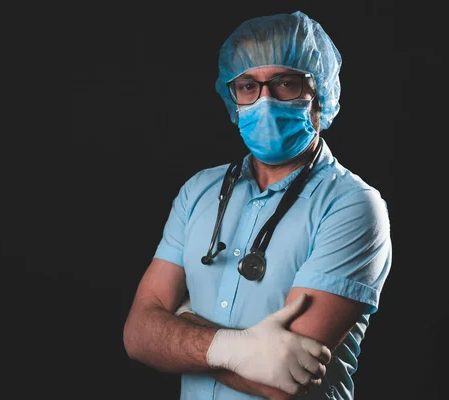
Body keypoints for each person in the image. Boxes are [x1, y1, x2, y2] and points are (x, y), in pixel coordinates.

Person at [123, 10, 392, 400]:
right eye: (248, 86)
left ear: (319, 94)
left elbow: (284, 382)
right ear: (232, 97)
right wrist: (240, 350)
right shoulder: (200, 190)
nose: (265, 101)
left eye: (285, 83)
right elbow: (137, 335)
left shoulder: (351, 206)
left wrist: (180, 322)